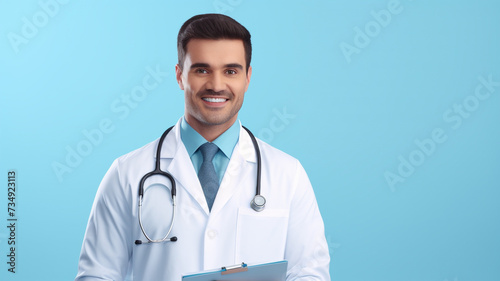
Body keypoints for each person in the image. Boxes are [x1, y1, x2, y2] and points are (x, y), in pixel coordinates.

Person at [75, 13, 330, 281]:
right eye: (202, 70)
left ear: (247, 77)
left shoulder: (288, 174)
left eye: (230, 71)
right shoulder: (127, 173)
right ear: (179, 76)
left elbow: (308, 273)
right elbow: (97, 275)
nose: (216, 85)